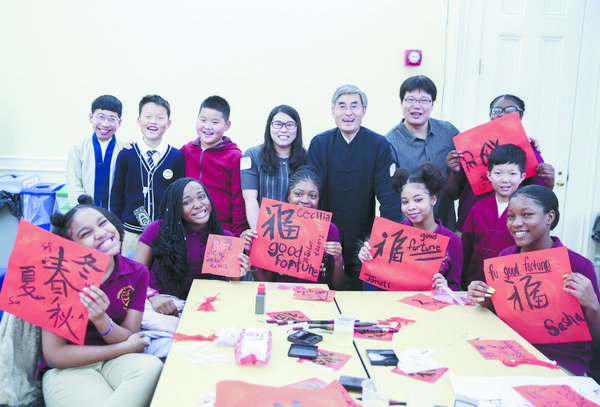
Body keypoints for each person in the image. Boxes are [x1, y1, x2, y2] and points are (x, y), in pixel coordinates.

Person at [41, 195, 163, 407]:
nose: (101, 233)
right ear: (71, 246)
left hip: (117, 363)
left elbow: (130, 335)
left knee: (152, 366)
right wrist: (123, 348)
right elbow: (55, 354)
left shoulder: (137, 272)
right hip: (70, 369)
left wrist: (101, 319)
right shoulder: (57, 278)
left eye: (103, 223)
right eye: (86, 233)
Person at [467, 185, 600, 376]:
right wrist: (486, 299)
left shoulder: (578, 265)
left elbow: (596, 338)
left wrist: (593, 305)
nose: (516, 223)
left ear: (549, 217)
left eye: (527, 215)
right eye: (511, 216)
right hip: (509, 351)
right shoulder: (505, 257)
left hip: (560, 361)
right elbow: (505, 313)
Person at [308, 85, 402, 290]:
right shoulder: (319, 144)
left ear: (364, 111)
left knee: (361, 298)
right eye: (342, 106)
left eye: (354, 106)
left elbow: (389, 198)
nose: (348, 112)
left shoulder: (379, 144)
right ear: (333, 111)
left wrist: (383, 244)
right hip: (325, 239)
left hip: (364, 241)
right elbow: (310, 194)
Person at [134, 177, 250, 317]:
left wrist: (237, 273)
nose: (198, 205)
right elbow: (135, 274)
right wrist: (153, 297)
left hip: (203, 309)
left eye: (201, 197)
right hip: (157, 305)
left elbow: (229, 289)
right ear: (176, 208)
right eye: (187, 202)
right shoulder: (157, 229)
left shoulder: (225, 238)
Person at [446, 94, 555, 233]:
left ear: (520, 115)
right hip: (469, 228)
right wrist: (454, 171)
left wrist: (549, 183)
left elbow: (539, 197)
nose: (502, 114)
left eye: (510, 110)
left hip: (510, 232)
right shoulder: (469, 150)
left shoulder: (529, 152)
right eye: (497, 110)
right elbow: (452, 193)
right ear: (490, 116)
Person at [358, 162, 462, 291]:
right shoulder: (390, 235)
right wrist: (367, 260)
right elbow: (378, 283)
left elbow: (455, 286)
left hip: (431, 303)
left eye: (418, 200)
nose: (411, 207)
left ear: (433, 199)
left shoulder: (453, 241)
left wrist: (445, 288)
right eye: (405, 202)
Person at [110, 94, 185, 256]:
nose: (153, 121)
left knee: (160, 269)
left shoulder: (176, 157)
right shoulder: (126, 154)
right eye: (148, 116)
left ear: (168, 123)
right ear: (139, 120)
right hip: (131, 232)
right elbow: (116, 195)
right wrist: (116, 230)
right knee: (131, 269)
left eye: (160, 117)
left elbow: (178, 198)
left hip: (164, 232)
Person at [247, 166, 345, 289]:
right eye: (298, 194)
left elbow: (338, 286)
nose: (305, 200)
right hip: (282, 295)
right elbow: (265, 283)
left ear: (318, 199)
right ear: (288, 196)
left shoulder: (330, 229)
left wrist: (338, 258)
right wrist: (251, 253)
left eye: (312, 196)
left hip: (317, 296)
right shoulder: (274, 227)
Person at [385, 75, 459, 230]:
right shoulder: (389, 142)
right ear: (401, 102)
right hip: (411, 228)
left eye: (424, 100)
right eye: (410, 100)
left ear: (432, 104)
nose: (416, 106)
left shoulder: (448, 132)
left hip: (445, 223)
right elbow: (391, 194)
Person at [461, 144, 527, 289]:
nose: (504, 179)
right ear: (489, 175)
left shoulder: (527, 211)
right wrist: (464, 282)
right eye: (498, 173)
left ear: (522, 177)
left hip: (512, 285)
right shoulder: (478, 208)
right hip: (476, 283)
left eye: (512, 174)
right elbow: (466, 247)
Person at [180, 95, 248, 236]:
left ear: (227, 125)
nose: (207, 126)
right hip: (188, 230)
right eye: (203, 120)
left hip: (221, 231)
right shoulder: (186, 151)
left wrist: (237, 235)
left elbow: (239, 200)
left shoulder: (234, 157)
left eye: (215, 122)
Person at [241, 104, 307, 229]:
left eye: (290, 124)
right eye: (278, 124)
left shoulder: (307, 158)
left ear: (297, 128)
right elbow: (250, 199)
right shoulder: (252, 155)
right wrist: (258, 232)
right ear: (269, 127)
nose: (283, 130)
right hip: (263, 228)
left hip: (296, 229)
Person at [66, 95, 124, 209]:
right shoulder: (78, 148)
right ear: (91, 117)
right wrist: (82, 211)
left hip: (116, 213)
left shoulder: (124, 150)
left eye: (112, 119)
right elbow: (73, 185)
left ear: (119, 122)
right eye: (100, 117)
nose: (105, 124)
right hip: (85, 212)